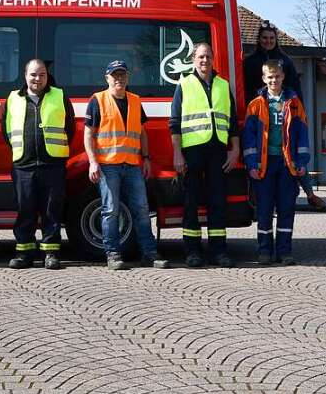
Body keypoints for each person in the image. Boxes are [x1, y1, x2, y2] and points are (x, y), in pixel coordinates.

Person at [83, 60, 168, 270]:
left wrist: (146, 158)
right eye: (115, 75)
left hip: (132, 165)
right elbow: (88, 134)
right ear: (107, 78)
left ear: (127, 78)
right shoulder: (98, 100)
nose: (119, 79)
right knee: (110, 210)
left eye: (122, 75)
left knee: (141, 209)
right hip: (108, 165)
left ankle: (149, 254)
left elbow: (142, 132)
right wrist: (93, 162)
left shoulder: (135, 101)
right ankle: (113, 254)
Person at [171, 42, 241, 268]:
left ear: (213, 59)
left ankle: (219, 251)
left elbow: (232, 123)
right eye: (200, 57)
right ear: (194, 60)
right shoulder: (184, 84)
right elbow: (174, 123)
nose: (204, 60)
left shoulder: (223, 85)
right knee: (191, 202)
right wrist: (177, 155)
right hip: (192, 151)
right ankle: (192, 251)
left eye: (208, 56)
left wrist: (235, 150)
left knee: (217, 201)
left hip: (218, 150)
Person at [3, 59, 75, 270]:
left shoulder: (60, 96)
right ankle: (24, 253)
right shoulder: (13, 98)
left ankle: (51, 253)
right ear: (25, 76)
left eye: (42, 74)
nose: (37, 78)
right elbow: (7, 130)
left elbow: (69, 128)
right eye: (33, 74)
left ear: (47, 76)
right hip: (23, 165)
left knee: (51, 210)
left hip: (52, 163)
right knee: (25, 209)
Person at [242, 59, 310, 265]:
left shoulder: (295, 104)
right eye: (270, 77)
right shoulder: (255, 105)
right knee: (264, 210)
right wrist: (252, 164)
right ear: (264, 78)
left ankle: (284, 251)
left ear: (283, 77)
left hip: (287, 164)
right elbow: (249, 138)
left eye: (277, 77)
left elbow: (302, 136)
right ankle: (264, 251)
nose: (274, 80)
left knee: (286, 209)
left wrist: (302, 161)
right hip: (264, 166)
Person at [242, 21, 300, 103]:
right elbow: (244, 90)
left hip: (283, 109)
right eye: (265, 38)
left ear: (276, 40)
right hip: (258, 109)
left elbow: (296, 89)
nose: (268, 41)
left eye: (272, 38)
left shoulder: (286, 62)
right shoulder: (249, 62)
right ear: (259, 39)